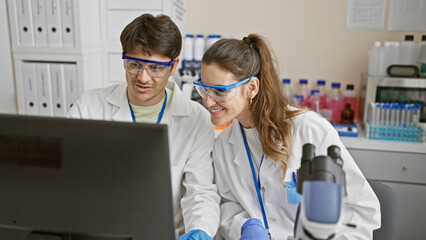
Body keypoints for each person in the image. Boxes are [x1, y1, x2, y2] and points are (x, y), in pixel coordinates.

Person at [195, 34, 381, 239]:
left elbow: (359, 211)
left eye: (220, 92)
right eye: (204, 90)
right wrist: (244, 226)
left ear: (251, 88)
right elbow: (229, 204)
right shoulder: (224, 145)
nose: (208, 102)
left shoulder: (310, 130)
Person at [68, 14, 220, 239]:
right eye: (135, 64)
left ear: (173, 66)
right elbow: (68, 176)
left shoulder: (196, 120)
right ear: (124, 60)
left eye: (156, 68)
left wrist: (200, 230)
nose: (143, 77)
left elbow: (200, 192)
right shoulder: (89, 106)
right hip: (102, 231)